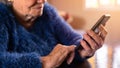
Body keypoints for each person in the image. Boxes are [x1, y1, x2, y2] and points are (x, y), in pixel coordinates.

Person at [0, 0, 107, 68]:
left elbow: (71, 37)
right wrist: (44, 62)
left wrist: (84, 49)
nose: (42, 1)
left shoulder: (47, 12)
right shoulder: (2, 15)